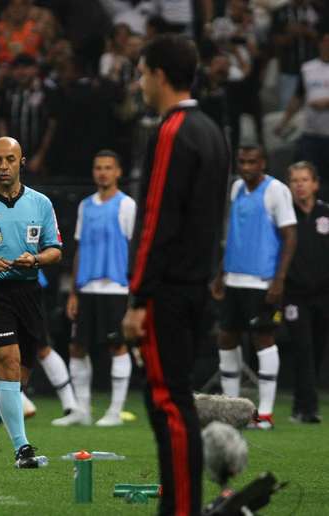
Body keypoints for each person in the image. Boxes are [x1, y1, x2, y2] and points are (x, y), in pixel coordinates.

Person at [121, 34, 229, 516]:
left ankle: (181, 508)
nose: (140, 82)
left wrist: (138, 299)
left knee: (167, 403)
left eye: (143, 73)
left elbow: (155, 222)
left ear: (160, 76)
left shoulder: (171, 131)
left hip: (165, 293)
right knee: (177, 399)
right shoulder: (212, 130)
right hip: (196, 286)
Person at [0, 136, 62, 469]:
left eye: (10, 159)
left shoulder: (40, 203)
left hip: (28, 291)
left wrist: (36, 260)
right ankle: (22, 449)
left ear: (21, 162)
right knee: (8, 363)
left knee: (17, 378)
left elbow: (55, 249)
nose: (4, 166)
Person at [210, 145, 297, 430]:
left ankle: (266, 414)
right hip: (234, 278)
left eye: (252, 162)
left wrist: (279, 280)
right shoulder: (236, 189)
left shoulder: (277, 191)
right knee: (226, 337)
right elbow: (233, 234)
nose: (246, 167)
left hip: (262, 281)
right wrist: (221, 273)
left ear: (263, 163)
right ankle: (233, 411)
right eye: (242, 162)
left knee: (263, 339)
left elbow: (289, 236)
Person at [62, 149, 136, 427]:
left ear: (118, 172)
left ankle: (115, 411)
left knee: (116, 346)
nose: (102, 172)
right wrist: (73, 291)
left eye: (108, 167)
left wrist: (132, 291)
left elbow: (134, 249)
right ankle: (83, 410)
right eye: (98, 167)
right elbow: (79, 248)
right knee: (77, 347)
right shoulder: (85, 205)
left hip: (116, 288)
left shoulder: (127, 205)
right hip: (87, 288)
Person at [282, 161, 328, 424]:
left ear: (315, 184)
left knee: (318, 349)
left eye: (304, 180)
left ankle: (300, 405)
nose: (299, 185)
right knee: (303, 347)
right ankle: (309, 409)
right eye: (294, 180)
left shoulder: (326, 214)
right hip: (294, 294)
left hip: (323, 294)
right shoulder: (285, 215)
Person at [277, 29, 329, 199]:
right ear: (320, 43)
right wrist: (284, 122)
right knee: (309, 179)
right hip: (312, 134)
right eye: (325, 41)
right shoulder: (308, 68)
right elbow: (297, 98)